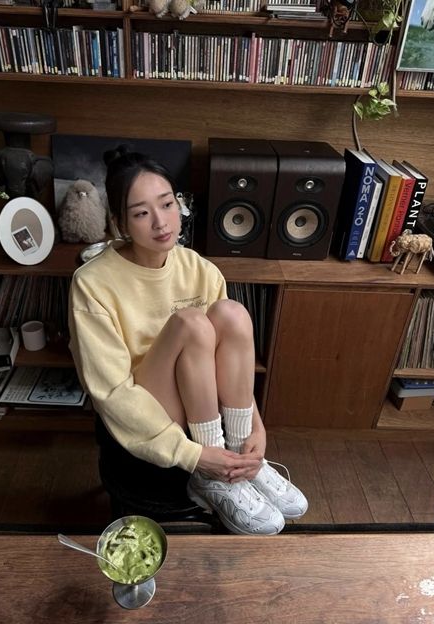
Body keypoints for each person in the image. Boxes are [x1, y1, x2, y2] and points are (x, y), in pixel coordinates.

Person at [68, 146, 308, 535]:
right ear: (119, 223)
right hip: (151, 403)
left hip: (205, 396)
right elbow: (110, 392)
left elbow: (233, 359)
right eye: (141, 213)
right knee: (191, 323)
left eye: (167, 204)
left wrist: (257, 430)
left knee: (231, 314)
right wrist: (194, 456)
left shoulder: (201, 269)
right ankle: (211, 478)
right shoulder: (92, 284)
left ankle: (241, 457)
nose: (161, 222)